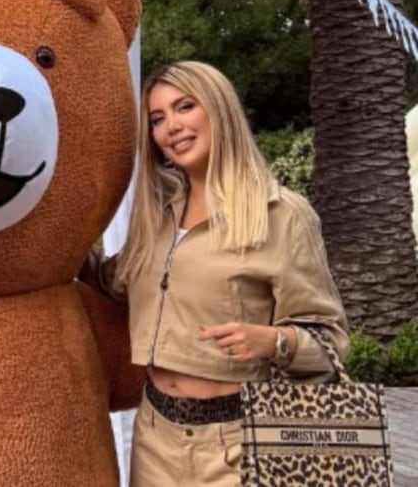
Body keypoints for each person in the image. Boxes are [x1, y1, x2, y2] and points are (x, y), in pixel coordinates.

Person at [87, 61, 349, 486]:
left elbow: (330, 342)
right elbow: (112, 282)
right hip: (154, 437)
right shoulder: (157, 219)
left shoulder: (281, 215)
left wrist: (274, 340)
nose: (171, 126)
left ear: (219, 109)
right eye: (157, 118)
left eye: (184, 107)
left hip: (239, 442)